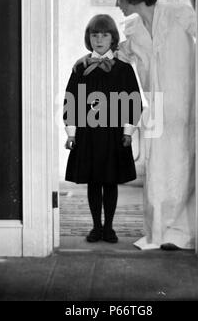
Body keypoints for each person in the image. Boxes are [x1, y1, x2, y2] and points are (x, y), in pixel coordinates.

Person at [74, 0, 196, 250]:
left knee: (186, 168)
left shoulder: (178, 13)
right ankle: (160, 233)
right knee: (157, 172)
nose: (117, 3)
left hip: (188, 105)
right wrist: (87, 59)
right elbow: (114, 55)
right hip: (157, 111)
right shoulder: (133, 30)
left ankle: (183, 232)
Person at [64, 14, 142, 244]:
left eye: (104, 35)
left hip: (113, 134)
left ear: (112, 38)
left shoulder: (124, 69)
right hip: (88, 134)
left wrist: (128, 132)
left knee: (110, 180)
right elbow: (71, 102)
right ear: (89, 38)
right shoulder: (80, 68)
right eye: (94, 35)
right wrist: (72, 133)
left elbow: (133, 102)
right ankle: (96, 227)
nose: (99, 40)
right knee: (93, 181)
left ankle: (109, 227)